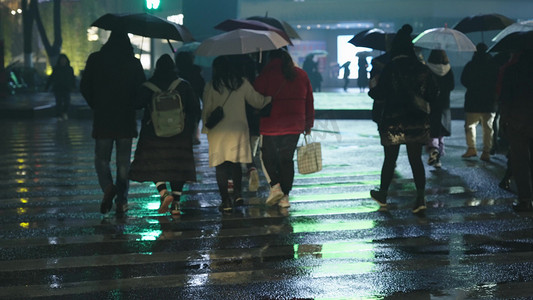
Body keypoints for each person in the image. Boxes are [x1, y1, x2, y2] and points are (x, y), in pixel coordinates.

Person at [368, 24, 438, 214]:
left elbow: (379, 94)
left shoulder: (390, 68)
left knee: (390, 159)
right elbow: (433, 94)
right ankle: (420, 198)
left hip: (393, 121)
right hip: (417, 120)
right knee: (416, 160)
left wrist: (372, 87)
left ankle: (383, 194)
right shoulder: (421, 69)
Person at [80, 31, 146, 215]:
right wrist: (134, 105)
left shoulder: (95, 59)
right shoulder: (133, 62)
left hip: (103, 118)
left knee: (101, 159)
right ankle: (122, 200)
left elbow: (85, 85)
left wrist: (96, 104)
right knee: (123, 163)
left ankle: (108, 187)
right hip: (125, 119)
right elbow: (142, 90)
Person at [129, 54, 201, 215]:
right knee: (178, 167)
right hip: (180, 134)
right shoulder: (183, 85)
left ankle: (163, 193)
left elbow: (136, 104)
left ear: (157, 68)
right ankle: (176, 203)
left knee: (154, 164)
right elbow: (195, 108)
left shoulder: (148, 86)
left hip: (154, 133)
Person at [202, 55, 271, 212]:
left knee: (221, 166)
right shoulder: (242, 83)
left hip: (218, 130)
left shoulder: (211, 85)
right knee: (235, 163)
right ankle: (238, 195)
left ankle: (225, 201)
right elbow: (257, 101)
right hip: (238, 129)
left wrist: (206, 128)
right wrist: (271, 97)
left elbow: (207, 108)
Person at [254, 48, 315, 208]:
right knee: (286, 160)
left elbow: (256, 98)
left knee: (267, 158)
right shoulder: (301, 75)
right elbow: (309, 100)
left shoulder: (265, 75)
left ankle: (275, 187)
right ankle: (285, 197)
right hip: (295, 124)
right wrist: (308, 124)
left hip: (270, 125)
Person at [499, 49, 533, 212]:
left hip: (517, 122)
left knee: (520, 162)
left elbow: (505, 98)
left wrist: (503, 120)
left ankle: (525, 199)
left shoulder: (512, 71)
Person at [460, 42, 499, 161]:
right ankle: (486, 151)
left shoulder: (471, 65)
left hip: (473, 100)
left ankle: (472, 148)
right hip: (489, 101)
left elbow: (463, 80)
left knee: (470, 126)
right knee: (488, 128)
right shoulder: (493, 65)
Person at [426, 50, 455, 168]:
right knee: (441, 131)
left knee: (432, 129)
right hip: (445, 103)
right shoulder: (448, 69)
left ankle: (434, 149)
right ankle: (438, 156)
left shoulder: (428, 69)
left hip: (432, 103)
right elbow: (452, 86)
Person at [175, 51, 205, 145]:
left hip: (177, 106)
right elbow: (202, 90)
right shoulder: (196, 74)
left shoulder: (176, 75)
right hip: (193, 105)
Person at [45, 53, 76, 120]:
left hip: (66, 88)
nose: (63, 61)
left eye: (64, 60)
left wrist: (73, 86)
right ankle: (59, 115)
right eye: (62, 60)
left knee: (67, 102)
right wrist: (47, 87)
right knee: (58, 102)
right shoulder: (56, 69)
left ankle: (64, 113)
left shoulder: (69, 69)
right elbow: (51, 78)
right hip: (58, 88)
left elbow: (72, 78)